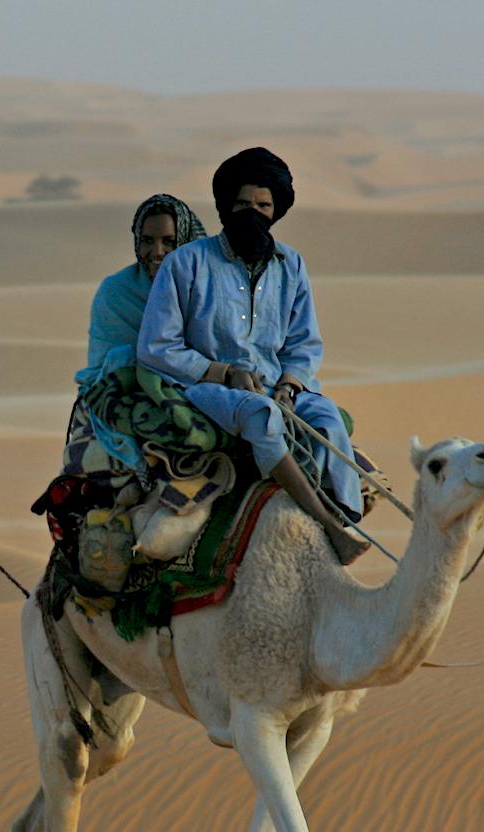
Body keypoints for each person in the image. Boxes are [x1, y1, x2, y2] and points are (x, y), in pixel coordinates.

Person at [137, 147, 370, 564]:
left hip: (279, 386)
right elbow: (157, 347)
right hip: (209, 389)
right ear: (227, 207)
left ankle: (346, 516)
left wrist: (290, 384)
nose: (253, 212)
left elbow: (303, 344)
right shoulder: (187, 263)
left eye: (263, 205)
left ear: (276, 210)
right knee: (262, 419)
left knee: (329, 421)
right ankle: (328, 526)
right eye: (243, 204)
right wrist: (222, 372)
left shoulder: (291, 265)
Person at [74, 194, 208, 388]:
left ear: (187, 241)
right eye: (147, 241)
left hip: (207, 392)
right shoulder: (116, 292)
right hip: (126, 399)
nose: (158, 251)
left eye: (169, 241)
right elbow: (100, 372)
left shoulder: (210, 290)